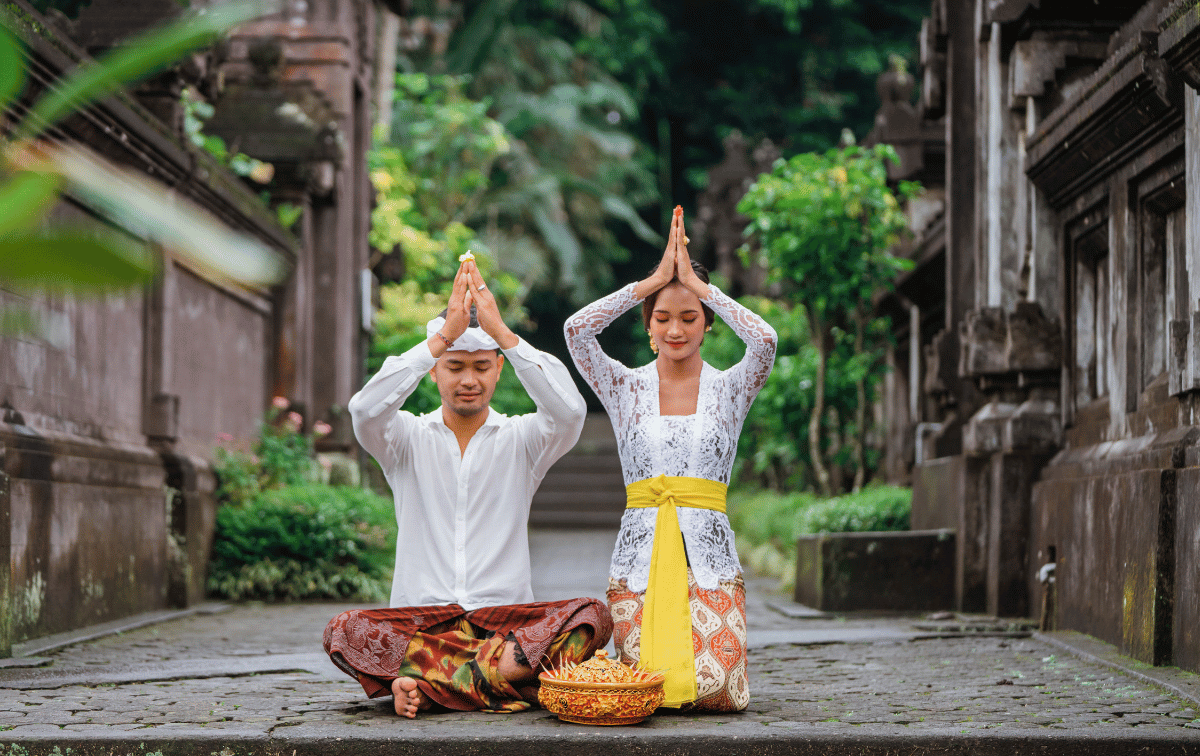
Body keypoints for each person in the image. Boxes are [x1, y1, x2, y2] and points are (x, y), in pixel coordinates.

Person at [324, 258, 612, 718]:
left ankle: (426, 684)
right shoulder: (404, 439)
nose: (469, 380)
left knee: (592, 617)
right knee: (345, 630)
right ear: (434, 372)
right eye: (455, 366)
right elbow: (364, 411)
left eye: (481, 366)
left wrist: (506, 337)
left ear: (498, 371)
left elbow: (570, 413)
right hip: (423, 623)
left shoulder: (523, 440)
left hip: (503, 625)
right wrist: (437, 340)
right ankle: (506, 684)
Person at [563, 206, 777, 711]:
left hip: (710, 560)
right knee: (644, 692)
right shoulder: (623, 386)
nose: (675, 329)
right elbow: (576, 331)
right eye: (663, 317)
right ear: (648, 325)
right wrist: (654, 280)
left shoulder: (731, 388)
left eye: (689, 317)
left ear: (707, 325)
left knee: (716, 691)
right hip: (639, 557)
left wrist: (703, 289)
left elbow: (765, 340)